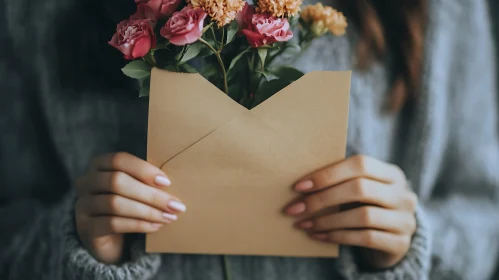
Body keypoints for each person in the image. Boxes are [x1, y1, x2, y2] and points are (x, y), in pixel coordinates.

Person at [1, 0, 498, 279]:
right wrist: (76, 243)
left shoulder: (443, 12)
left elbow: (486, 219)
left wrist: (408, 243)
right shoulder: (35, 13)